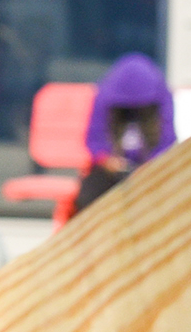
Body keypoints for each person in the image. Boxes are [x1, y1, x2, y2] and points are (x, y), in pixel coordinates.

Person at [70, 52, 175, 213]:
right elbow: (93, 140)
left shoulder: (161, 99)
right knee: (89, 193)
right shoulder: (105, 97)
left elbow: (168, 142)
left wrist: (151, 165)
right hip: (111, 173)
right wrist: (107, 160)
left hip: (150, 171)